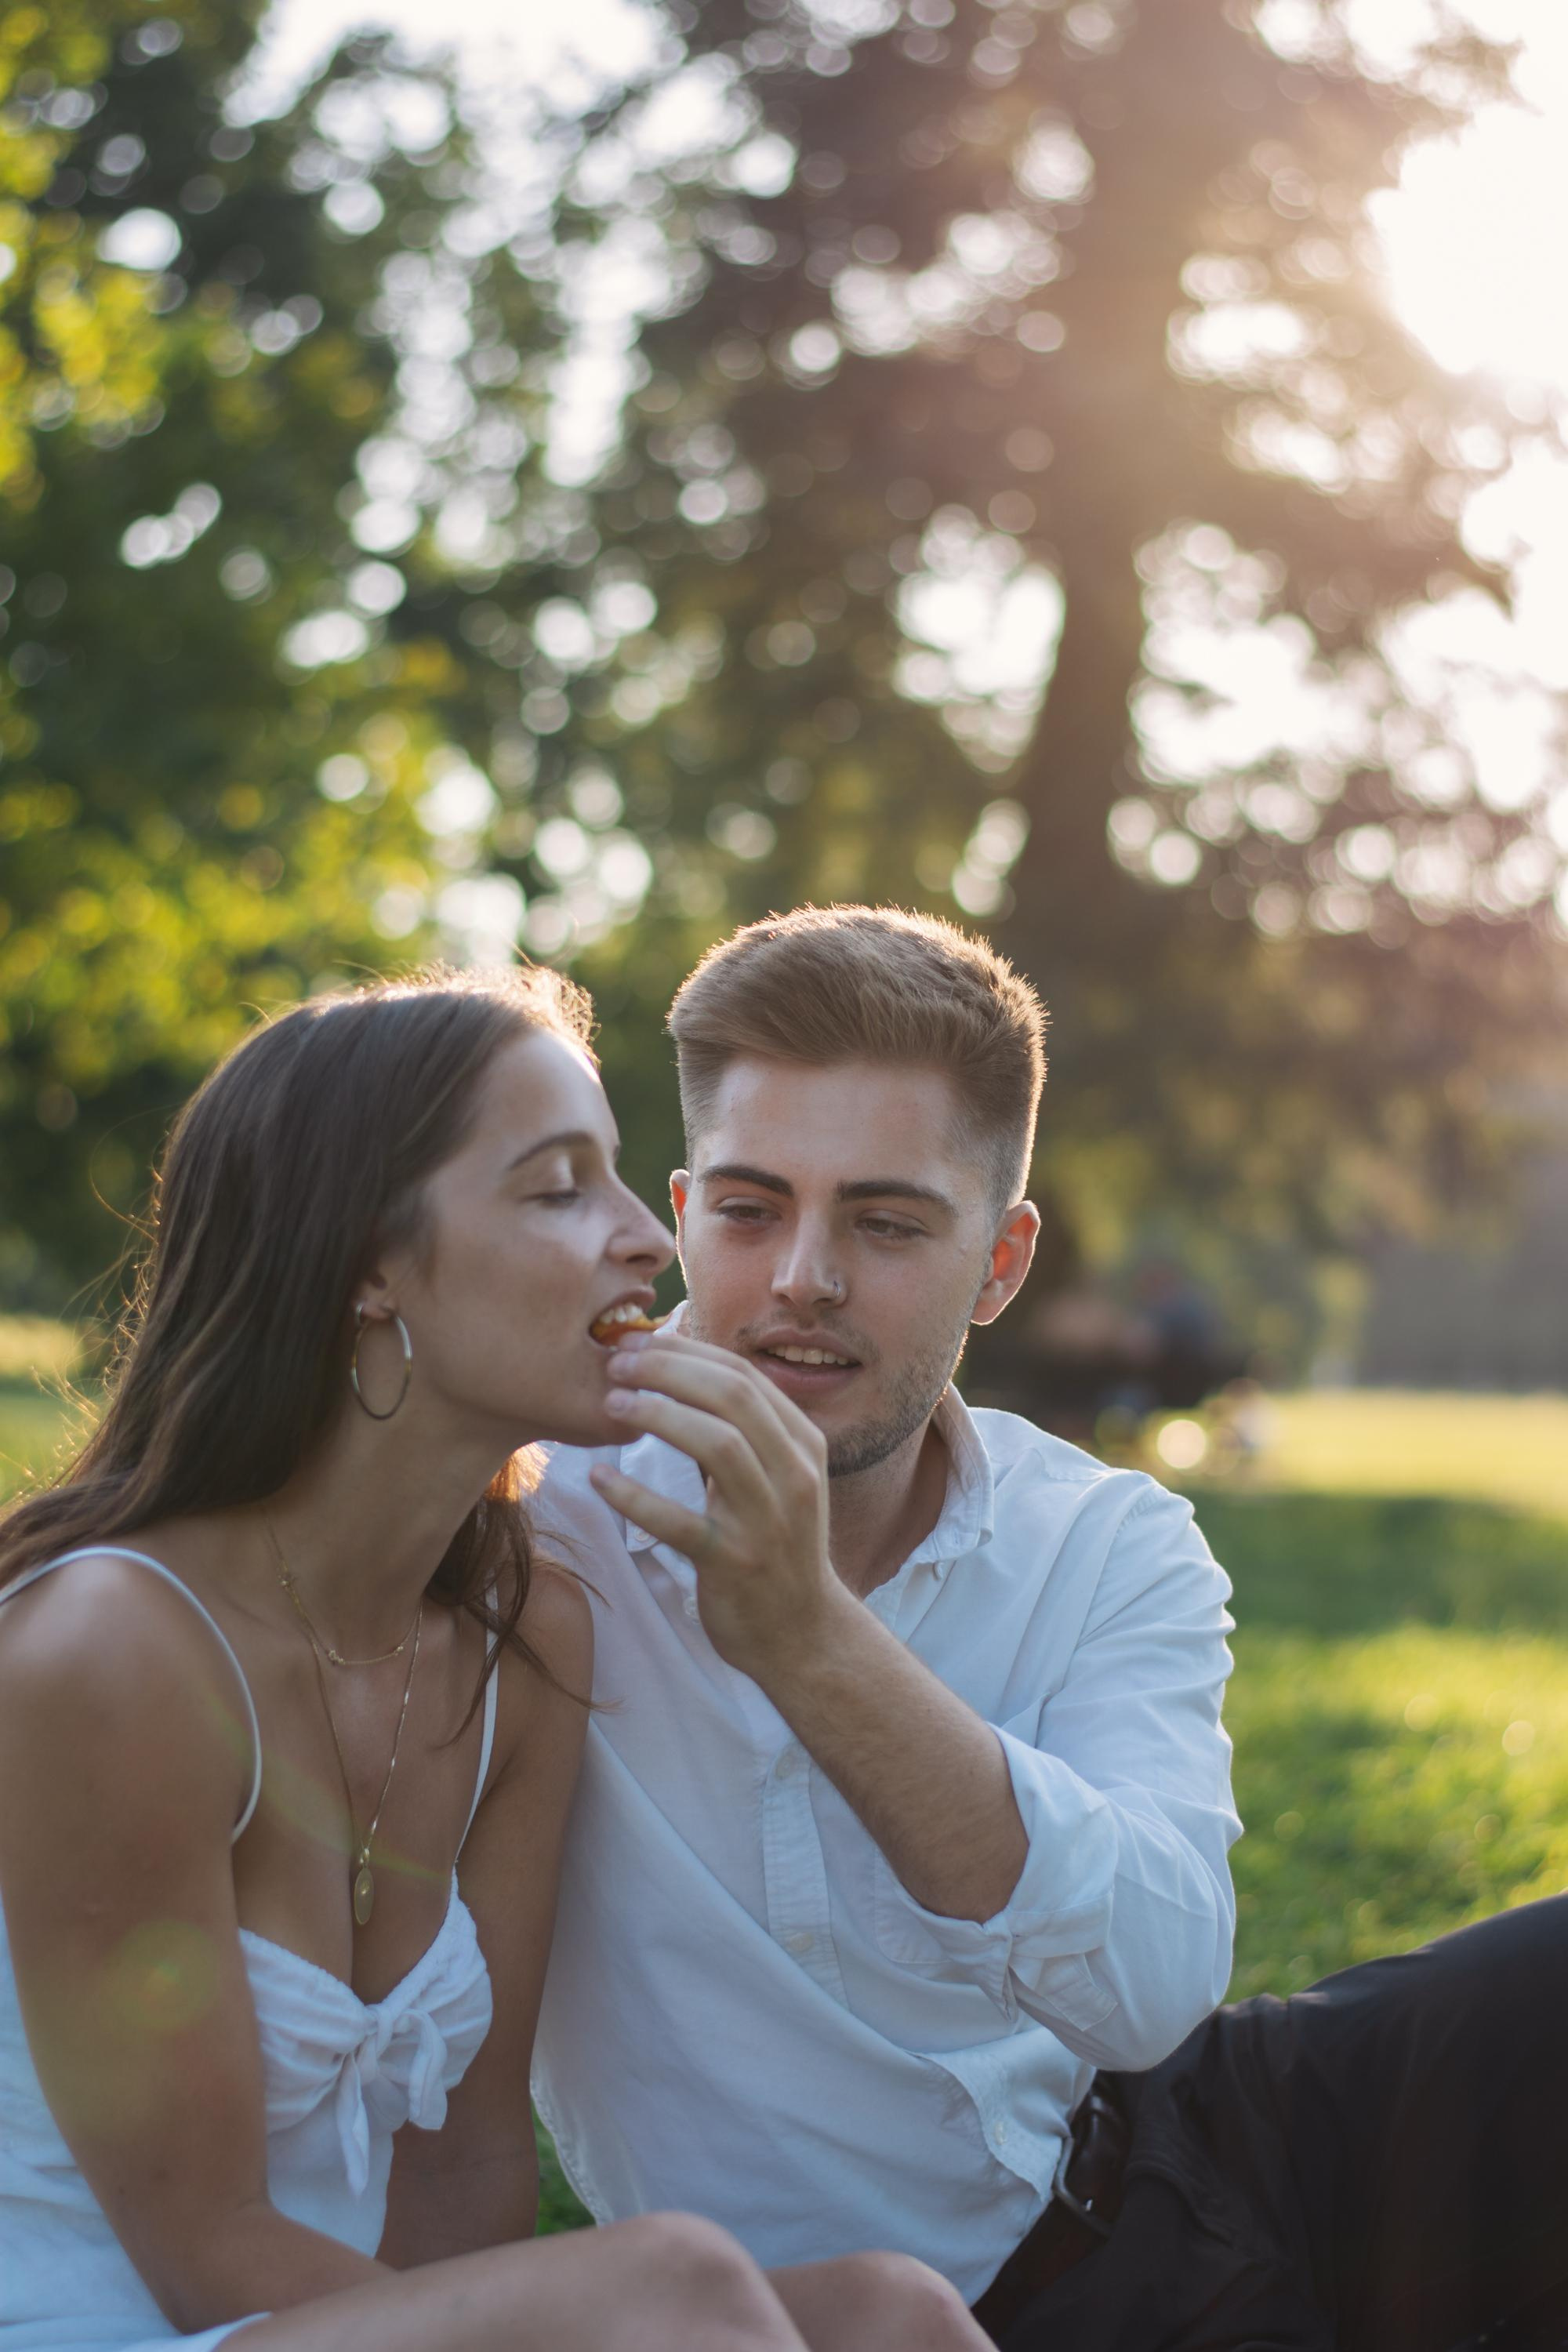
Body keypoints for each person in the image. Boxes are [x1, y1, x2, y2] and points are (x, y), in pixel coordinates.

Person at [532, 906, 1568, 2352]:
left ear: (1003, 1265)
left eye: (886, 1223)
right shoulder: (539, 1534)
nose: (803, 1281)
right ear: (684, 1210)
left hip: (1216, 2143)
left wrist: (806, 1637)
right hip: (945, 2317)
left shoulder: (1107, 1541)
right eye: (751, 1210)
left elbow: (1152, 1990)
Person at [0, 965, 989, 2352]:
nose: (653, 1239)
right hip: (125, 2328)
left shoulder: (520, 1645)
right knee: (674, 2292)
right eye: (559, 1189)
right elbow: (201, 2251)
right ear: (368, 1268)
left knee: (890, 2313)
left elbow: (468, 2179)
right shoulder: (114, 1647)